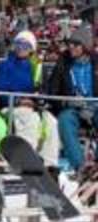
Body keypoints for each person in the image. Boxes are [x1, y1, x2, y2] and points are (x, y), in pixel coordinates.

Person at [0, 31, 60, 170]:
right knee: (30, 119)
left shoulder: (36, 66)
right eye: (18, 44)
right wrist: (18, 101)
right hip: (12, 105)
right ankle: (23, 159)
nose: (21, 48)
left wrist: (38, 100)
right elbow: (0, 89)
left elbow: (42, 88)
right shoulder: (6, 65)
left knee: (51, 122)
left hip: (33, 106)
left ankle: (49, 162)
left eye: (25, 45)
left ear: (32, 49)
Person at [45, 24, 97, 174]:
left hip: (94, 105)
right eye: (70, 44)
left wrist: (92, 104)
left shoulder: (95, 63)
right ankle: (80, 165)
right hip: (72, 107)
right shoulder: (64, 62)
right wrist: (66, 101)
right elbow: (52, 89)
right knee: (65, 120)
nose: (71, 47)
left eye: (76, 44)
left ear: (85, 47)